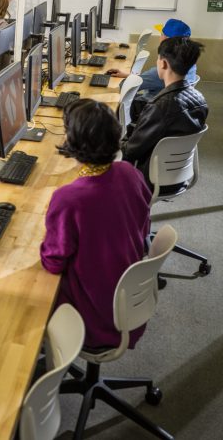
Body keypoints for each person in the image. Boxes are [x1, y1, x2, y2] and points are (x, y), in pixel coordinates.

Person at [41, 99, 152, 350]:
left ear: (73, 142)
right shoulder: (130, 173)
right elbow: (143, 227)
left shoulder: (69, 199)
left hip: (94, 318)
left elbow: (53, 262)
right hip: (128, 301)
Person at [122, 36, 208, 189]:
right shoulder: (200, 99)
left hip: (149, 176)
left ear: (163, 63)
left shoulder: (160, 107)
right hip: (179, 175)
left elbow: (131, 151)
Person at [107, 18, 198, 100]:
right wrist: (126, 75)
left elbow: (129, 86)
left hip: (148, 108)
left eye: (161, 34)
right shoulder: (190, 63)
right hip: (168, 108)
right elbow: (145, 79)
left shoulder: (165, 70)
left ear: (166, 39)